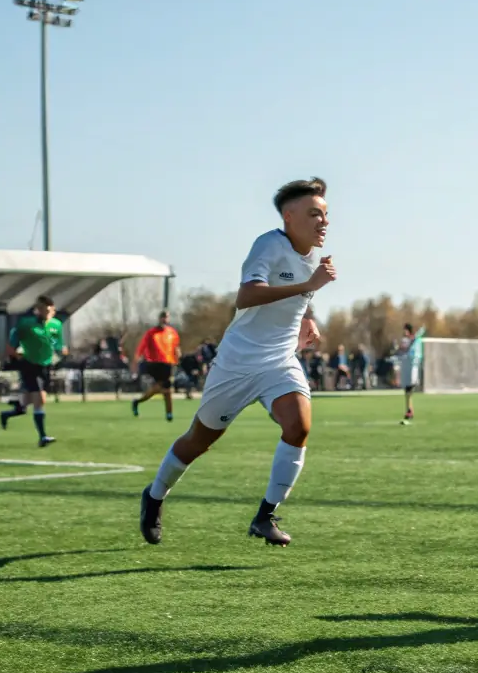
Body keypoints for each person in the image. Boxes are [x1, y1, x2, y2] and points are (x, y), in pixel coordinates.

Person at [138, 179, 335, 547]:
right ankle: (154, 496)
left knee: (299, 426)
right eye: (314, 214)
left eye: (325, 215)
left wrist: (308, 315)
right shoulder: (269, 244)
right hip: (237, 363)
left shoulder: (312, 257)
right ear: (289, 217)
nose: (323, 221)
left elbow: (298, 291)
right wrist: (309, 286)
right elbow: (246, 296)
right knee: (199, 440)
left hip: (279, 361)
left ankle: (265, 516)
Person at [0, 295, 67, 446]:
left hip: (45, 366)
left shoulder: (56, 325)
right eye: (43, 309)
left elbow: (55, 343)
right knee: (40, 399)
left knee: (27, 404)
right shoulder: (26, 324)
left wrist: (61, 350)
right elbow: (12, 341)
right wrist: (14, 353)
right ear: (38, 310)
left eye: (49, 310)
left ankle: (9, 412)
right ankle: (42, 437)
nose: (46, 312)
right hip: (29, 364)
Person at [131, 311, 182, 421]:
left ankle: (138, 402)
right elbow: (142, 346)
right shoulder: (151, 333)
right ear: (159, 319)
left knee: (166, 390)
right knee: (163, 388)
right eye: (162, 317)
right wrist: (137, 358)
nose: (164, 319)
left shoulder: (172, 333)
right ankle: (168, 414)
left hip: (168, 363)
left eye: (166, 317)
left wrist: (177, 355)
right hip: (154, 363)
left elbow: (176, 346)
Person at [397, 323, 423, 423]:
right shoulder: (406, 340)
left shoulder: (417, 340)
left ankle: (409, 409)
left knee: (411, 386)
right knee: (407, 388)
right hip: (405, 365)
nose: (404, 332)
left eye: (405, 330)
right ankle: (409, 410)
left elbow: (417, 352)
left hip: (413, 365)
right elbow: (402, 348)